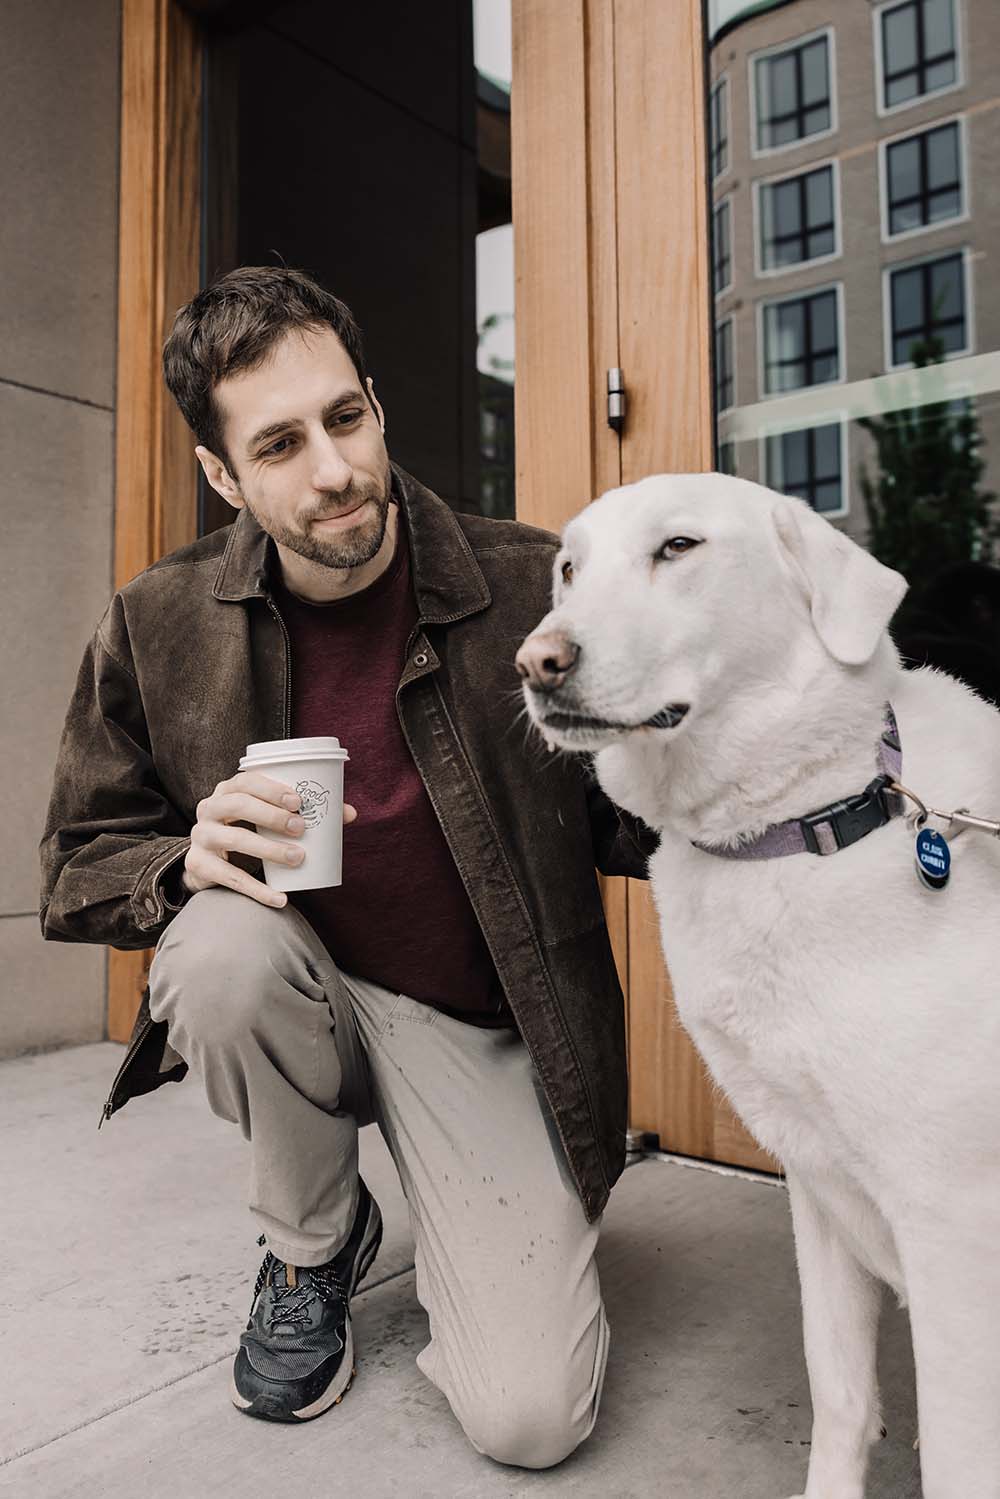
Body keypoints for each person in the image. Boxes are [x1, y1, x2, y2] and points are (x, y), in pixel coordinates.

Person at [39, 265, 655, 1468]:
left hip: (481, 1025)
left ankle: (469, 1200)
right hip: (292, 987)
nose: (332, 471)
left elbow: (638, 819)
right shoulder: (158, 623)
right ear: (223, 475)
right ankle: (315, 1240)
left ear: (374, 403)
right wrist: (180, 861)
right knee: (215, 948)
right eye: (278, 444)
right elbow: (76, 863)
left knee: (532, 1418)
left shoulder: (531, 583)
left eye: (345, 418)